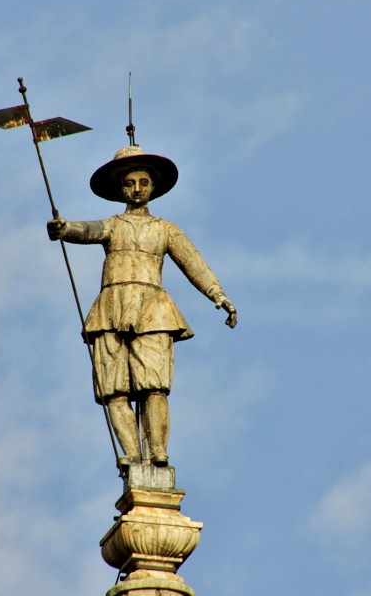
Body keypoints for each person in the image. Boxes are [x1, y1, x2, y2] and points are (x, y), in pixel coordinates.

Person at [47, 145, 236, 467]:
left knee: (154, 386)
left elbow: (193, 263)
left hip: (153, 308)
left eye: (143, 183)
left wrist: (218, 295)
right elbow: (87, 230)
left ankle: (159, 451)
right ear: (121, 188)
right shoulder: (113, 225)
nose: (137, 189)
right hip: (111, 307)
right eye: (130, 183)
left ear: (153, 187)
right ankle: (132, 454)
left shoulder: (165, 229)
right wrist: (65, 229)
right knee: (114, 388)